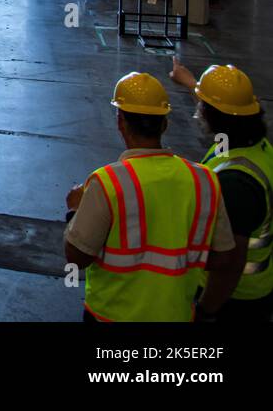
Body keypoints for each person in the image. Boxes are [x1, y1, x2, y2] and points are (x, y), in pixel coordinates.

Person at [64, 72, 244, 322]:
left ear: (120, 122)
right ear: (165, 124)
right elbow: (224, 256)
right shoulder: (205, 180)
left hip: (111, 316)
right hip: (177, 315)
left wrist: (74, 210)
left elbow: (77, 257)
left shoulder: (107, 182)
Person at [171, 60, 273, 322]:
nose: (198, 110)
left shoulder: (236, 183)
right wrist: (192, 82)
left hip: (233, 299)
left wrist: (205, 312)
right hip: (259, 288)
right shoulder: (257, 148)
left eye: (201, 106)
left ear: (211, 115)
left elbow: (230, 264)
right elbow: (226, 104)